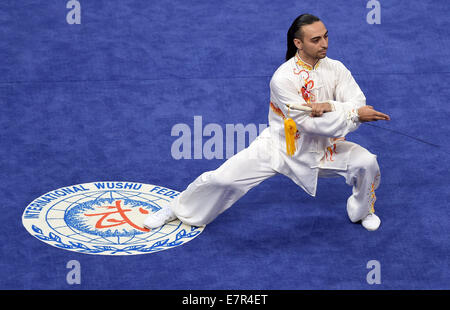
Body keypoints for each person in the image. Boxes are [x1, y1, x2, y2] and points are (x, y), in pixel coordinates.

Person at [144, 14, 390, 232]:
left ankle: (361, 210)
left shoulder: (337, 69)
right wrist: (352, 113)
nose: (324, 44)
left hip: (327, 149)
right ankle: (178, 208)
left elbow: (358, 101)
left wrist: (333, 106)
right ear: (298, 43)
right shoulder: (282, 78)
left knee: (366, 162)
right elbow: (310, 124)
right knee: (224, 179)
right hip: (282, 147)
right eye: (316, 40)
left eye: (326, 37)